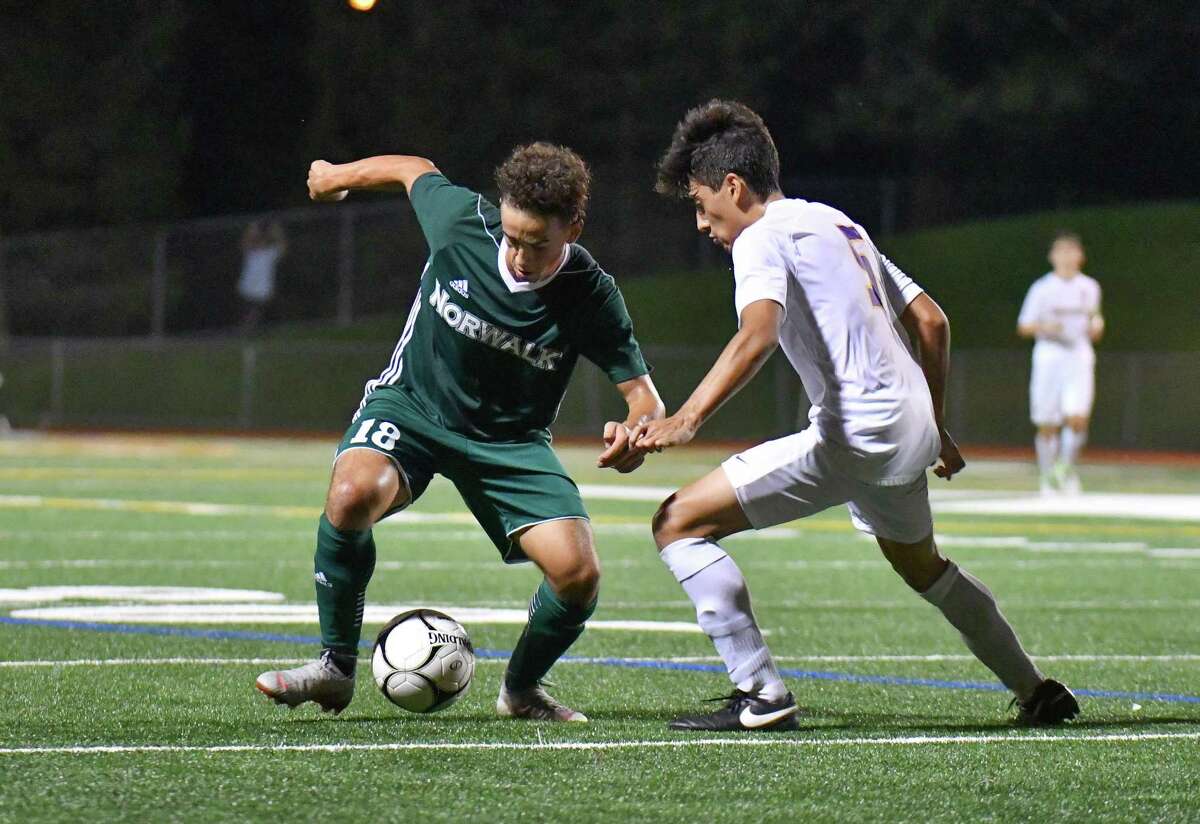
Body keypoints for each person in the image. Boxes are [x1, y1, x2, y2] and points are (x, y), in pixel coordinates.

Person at [633, 100, 1079, 731]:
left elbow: (756, 334)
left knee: (676, 523)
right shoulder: (838, 223)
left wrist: (688, 418)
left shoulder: (759, 237)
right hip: (907, 430)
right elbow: (932, 320)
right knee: (925, 568)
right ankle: (1037, 692)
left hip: (855, 435)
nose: (701, 223)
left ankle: (761, 693)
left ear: (734, 186)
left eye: (702, 204)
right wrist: (938, 424)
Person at [256, 144, 664, 721]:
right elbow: (412, 169)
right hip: (414, 409)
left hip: (509, 442)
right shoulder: (460, 222)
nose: (519, 255)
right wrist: (333, 177)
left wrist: (635, 435)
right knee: (350, 497)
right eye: (513, 237)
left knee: (578, 574)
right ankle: (335, 668)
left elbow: (643, 397)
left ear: (573, 226)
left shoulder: (591, 294)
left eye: (537, 243)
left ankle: (521, 692)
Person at [1017, 233, 1103, 495]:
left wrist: (1097, 325)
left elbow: (1095, 319)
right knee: (1047, 422)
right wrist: (1045, 326)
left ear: (1081, 257)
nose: (1066, 258)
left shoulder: (1089, 287)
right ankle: (1047, 475)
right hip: (1049, 355)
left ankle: (1066, 469)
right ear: (1052, 257)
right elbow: (1024, 326)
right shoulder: (1042, 288)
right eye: (1061, 252)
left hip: (1078, 354)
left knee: (1077, 417)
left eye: (1071, 252)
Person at [238, 220, 287, 334]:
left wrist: (277, 233)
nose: (261, 242)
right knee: (249, 310)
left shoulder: (269, 253)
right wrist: (251, 231)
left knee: (257, 310)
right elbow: (244, 244)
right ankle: (248, 330)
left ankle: (251, 330)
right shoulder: (251, 252)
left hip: (262, 288)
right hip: (248, 286)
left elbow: (282, 248)